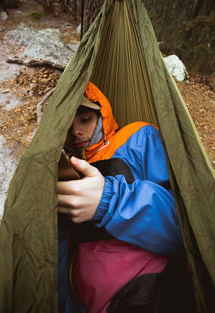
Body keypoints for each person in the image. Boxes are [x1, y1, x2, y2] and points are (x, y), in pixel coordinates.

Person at [57, 82, 185, 313]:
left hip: (145, 291)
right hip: (85, 301)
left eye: (85, 119)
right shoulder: (65, 166)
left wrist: (109, 201)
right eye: (69, 125)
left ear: (102, 114)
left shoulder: (138, 137)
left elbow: (183, 228)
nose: (76, 131)